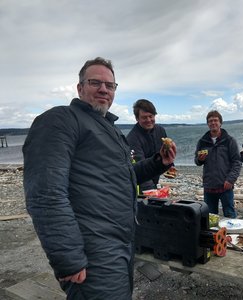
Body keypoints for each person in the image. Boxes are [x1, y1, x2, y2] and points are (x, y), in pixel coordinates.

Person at [23, 57, 176, 299]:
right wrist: (68, 258)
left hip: (121, 243)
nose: (104, 89)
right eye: (95, 82)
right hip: (93, 249)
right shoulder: (61, 120)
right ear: (80, 87)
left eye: (110, 85)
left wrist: (159, 162)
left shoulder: (108, 128)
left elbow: (121, 178)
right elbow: (45, 193)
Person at [195, 110, 242, 218]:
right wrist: (200, 159)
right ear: (207, 124)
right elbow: (196, 161)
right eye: (210, 121)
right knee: (210, 216)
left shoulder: (229, 140)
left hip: (225, 184)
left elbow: (237, 162)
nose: (213, 123)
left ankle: (232, 235)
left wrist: (230, 179)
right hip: (209, 185)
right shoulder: (202, 141)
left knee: (229, 214)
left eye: (215, 120)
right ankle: (213, 235)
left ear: (220, 123)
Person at [126, 99, 176, 193]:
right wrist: (151, 191)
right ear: (137, 118)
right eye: (144, 117)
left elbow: (166, 152)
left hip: (154, 177)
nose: (149, 120)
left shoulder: (160, 130)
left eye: (151, 116)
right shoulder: (132, 139)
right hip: (140, 184)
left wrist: (170, 166)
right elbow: (139, 168)